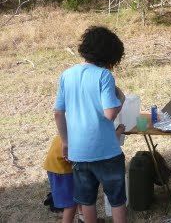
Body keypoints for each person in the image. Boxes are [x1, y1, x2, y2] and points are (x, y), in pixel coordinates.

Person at [54, 26, 127, 223]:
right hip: (107, 153)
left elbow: (58, 113)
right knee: (117, 200)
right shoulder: (104, 75)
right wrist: (121, 98)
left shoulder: (66, 75)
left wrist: (66, 142)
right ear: (110, 55)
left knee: (87, 201)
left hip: (79, 152)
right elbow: (110, 113)